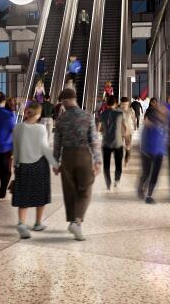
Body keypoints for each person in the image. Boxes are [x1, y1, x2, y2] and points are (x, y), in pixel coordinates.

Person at [53, 87, 98, 241]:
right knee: (85, 190)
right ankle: (77, 221)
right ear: (75, 99)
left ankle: (73, 220)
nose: (63, 106)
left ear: (65, 102)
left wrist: (55, 162)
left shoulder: (61, 119)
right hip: (84, 155)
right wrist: (97, 160)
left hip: (67, 156)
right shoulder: (87, 116)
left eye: (62, 103)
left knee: (70, 190)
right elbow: (94, 140)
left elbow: (57, 143)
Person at [11, 102, 56, 238]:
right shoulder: (41, 129)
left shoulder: (17, 128)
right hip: (39, 165)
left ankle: (21, 224)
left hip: (22, 165)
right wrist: (55, 164)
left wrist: (15, 165)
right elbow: (44, 148)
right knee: (40, 194)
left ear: (26, 112)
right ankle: (37, 223)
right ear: (38, 114)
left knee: (23, 196)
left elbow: (15, 149)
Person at [137, 98, 167, 204]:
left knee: (155, 174)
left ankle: (149, 195)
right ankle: (140, 187)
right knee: (146, 173)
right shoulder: (150, 120)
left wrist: (164, 152)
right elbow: (144, 136)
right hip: (147, 152)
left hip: (159, 152)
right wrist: (144, 150)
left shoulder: (164, 123)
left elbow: (165, 137)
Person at [98, 94, 126, 190]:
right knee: (118, 164)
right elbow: (124, 128)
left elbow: (99, 127)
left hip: (106, 143)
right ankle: (117, 180)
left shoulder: (102, 114)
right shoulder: (120, 114)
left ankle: (108, 183)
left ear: (107, 103)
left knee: (106, 165)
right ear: (116, 103)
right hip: (118, 142)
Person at [118, 96, 134, 166]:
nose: (124, 106)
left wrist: (134, 127)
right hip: (119, 132)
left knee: (128, 147)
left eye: (126, 104)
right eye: (123, 104)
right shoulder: (117, 110)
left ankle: (126, 160)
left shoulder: (131, 110)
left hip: (129, 131)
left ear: (128, 104)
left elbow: (134, 119)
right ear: (120, 103)